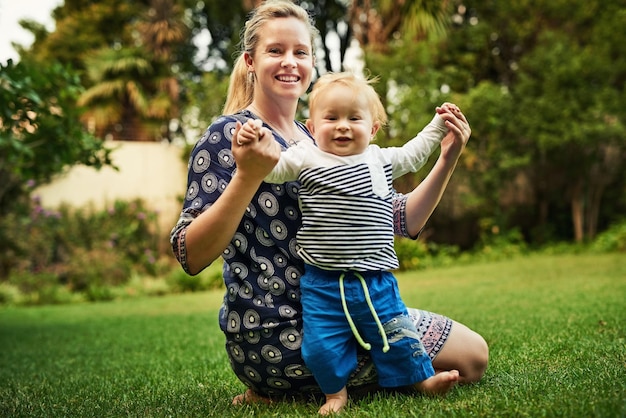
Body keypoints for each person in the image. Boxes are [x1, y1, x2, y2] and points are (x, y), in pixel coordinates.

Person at [170, 0, 488, 410]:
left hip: (351, 304)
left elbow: (400, 218)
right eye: (275, 51)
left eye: (300, 52)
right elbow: (189, 254)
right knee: (468, 356)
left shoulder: (318, 139)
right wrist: (249, 173)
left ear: (312, 62)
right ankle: (290, 384)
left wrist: (446, 159)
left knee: (472, 354)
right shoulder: (230, 135)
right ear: (250, 61)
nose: (289, 62)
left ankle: (275, 392)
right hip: (283, 331)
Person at [236, 71, 460, 414]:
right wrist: (255, 144)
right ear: (312, 127)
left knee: (396, 333)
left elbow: (415, 154)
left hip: (375, 280)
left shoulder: (379, 159)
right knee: (320, 347)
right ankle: (335, 394)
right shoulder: (305, 155)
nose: (342, 126)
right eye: (331, 118)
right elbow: (273, 170)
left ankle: (421, 379)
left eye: (354, 118)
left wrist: (438, 125)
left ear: (371, 130)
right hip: (322, 283)